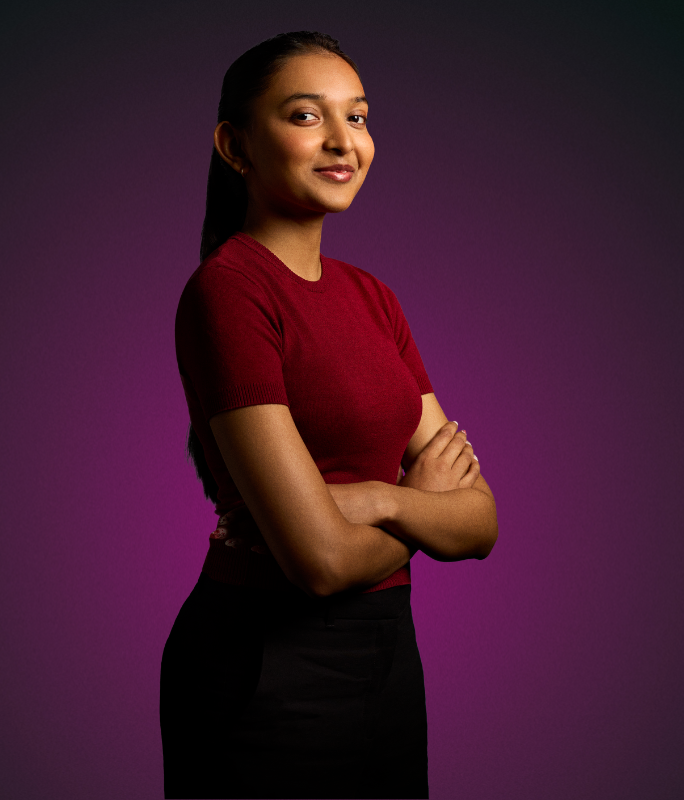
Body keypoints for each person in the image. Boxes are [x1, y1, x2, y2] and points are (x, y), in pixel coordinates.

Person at [160, 30, 498, 800]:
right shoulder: (230, 290)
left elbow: (480, 524)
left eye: (360, 115)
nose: (345, 141)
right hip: (264, 667)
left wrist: (373, 500)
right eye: (307, 116)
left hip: (385, 657)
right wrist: (418, 510)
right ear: (235, 144)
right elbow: (318, 565)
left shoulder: (373, 296)